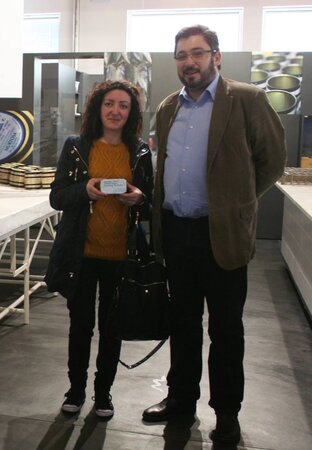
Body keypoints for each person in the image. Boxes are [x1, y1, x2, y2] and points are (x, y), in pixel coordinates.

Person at [142, 24, 287, 445]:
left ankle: (226, 412)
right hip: (177, 232)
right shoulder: (168, 107)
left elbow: (273, 161)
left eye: (198, 53)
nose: (189, 62)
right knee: (183, 324)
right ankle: (181, 399)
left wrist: (236, 203)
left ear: (216, 57)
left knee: (225, 330)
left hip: (221, 235)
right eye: (182, 55)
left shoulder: (246, 99)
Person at [45, 80, 153, 418]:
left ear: (131, 112)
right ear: (98, 107)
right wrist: (85, 191)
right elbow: (57, 196)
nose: (115, 111)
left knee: (112, 328)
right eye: (109, 103)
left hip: (121, 256)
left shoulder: (140, 152)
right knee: (80, 326)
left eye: (123, 105)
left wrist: (139, 198)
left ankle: (103, 393)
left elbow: (150, 204)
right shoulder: (76, 147)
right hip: (82, 255)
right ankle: (76, 390)